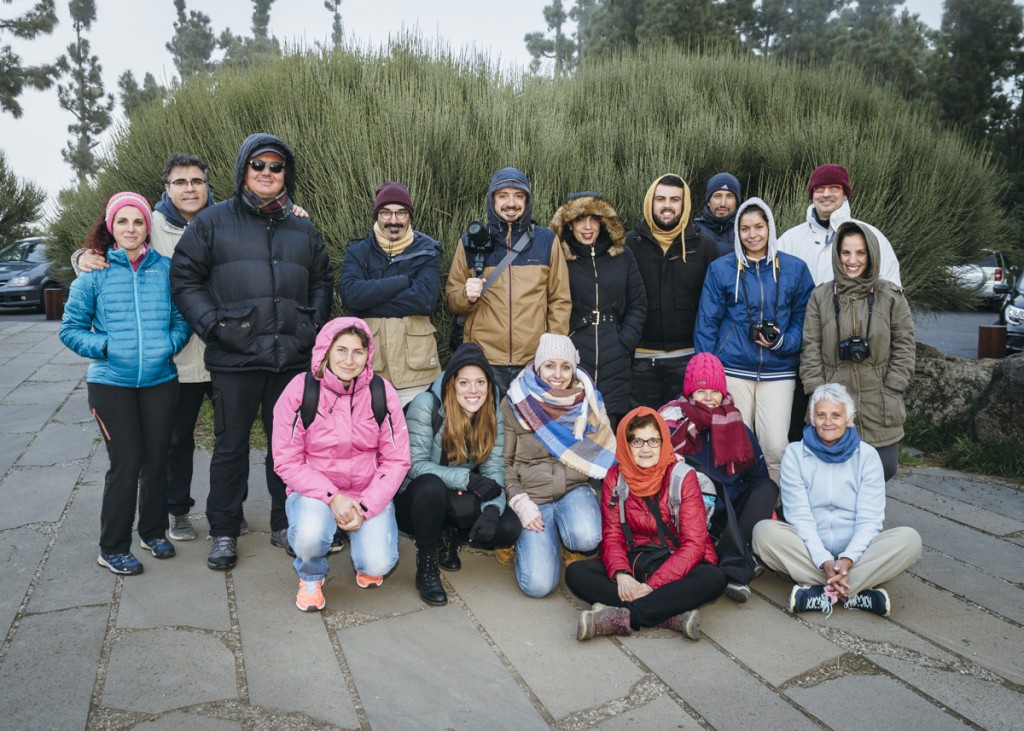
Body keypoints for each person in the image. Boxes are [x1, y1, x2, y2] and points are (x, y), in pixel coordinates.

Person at [72, 153, 310, 541]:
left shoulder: (232, 217)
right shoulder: (148, 224)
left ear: (209, 184)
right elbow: (112, 247)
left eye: (197, 181)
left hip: (232, 352)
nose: (189, 189)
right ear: (166, 188)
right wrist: (83, 257)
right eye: (180, 182)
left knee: (232, 437)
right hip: (178, 357)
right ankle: (177, 509)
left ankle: (232, 509)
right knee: (176, 438)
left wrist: (290, 211)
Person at [171, 133, 333, 571]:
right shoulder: (212, 222)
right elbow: (184, 279)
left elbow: (322, 279)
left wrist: (311, 325)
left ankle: (287, 523)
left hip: (290, 359)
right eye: (257, 165)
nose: (266, 173)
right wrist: (215, 326)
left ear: (287, 175)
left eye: (275, 166)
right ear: (244, 170)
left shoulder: (302, 227)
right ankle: (224, 530)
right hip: (236, 358)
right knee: (230, 447)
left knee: (291, 449)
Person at [60, 192, 191, 575]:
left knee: (156, 459)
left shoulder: (165, 269)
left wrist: (169, 345)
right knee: (127, 461)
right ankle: (113, 546)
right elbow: (70, 330)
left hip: (159, 381)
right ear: (111, 227)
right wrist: (106, 346)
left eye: (137, 222)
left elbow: (182, 320)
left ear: (146, 227)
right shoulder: (93, 275)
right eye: (123, 222)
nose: (130, 229)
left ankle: (152, 532)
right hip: (110, 384)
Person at [271, 317, 410, 612]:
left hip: (366, 490)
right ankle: (311, 574)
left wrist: (367, 506)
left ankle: (360, 543)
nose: (349, 359)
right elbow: (286, 460)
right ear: (326, 351)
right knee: (309, 534)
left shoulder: (380, 392)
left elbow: (397, 459)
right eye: (341, 350)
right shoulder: (300, 390)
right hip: (316, 492)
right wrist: (332, 498)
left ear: (367, 354)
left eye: (358, 352)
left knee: (379, 563)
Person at [752, 383, 922, 618]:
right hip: (809, 550)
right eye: (821, 415)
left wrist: (848, 559)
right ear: (812, 419)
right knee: (763, 532)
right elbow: (799, 516)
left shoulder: (868, 456)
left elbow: (870, 520)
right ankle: (856, 592)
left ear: (849, 419)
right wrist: (824, 560)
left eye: (836, 415)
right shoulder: (794, 454)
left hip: (857, 551)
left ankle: (822, 593)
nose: (828, 422)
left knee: (909, 540)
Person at [565, 407, 727, 640]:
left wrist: (652, 585)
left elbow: (694, 545)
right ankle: (669, 613)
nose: (646, 449)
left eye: (653, 440)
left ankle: (624, 617)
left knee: (713, 579)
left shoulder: (683, 477)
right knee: (576, 573)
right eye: (637, 441)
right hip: (635, 559)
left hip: (676, 558)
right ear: (625, 444)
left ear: (663, 441)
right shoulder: (615, 477)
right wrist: (621, 574)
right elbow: (612, 536)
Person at [695, 198, 814, 482]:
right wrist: (706, 372)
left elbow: (805, 319)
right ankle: (738, 511)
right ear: (737, 232)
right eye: (745, 228)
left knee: (775, 446)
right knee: (736, 446)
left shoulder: (794, 269)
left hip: (778, 371)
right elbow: (707, 322)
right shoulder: (722, 269)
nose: (752, 235)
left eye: (759, 227)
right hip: (733, 368)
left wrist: (784, 342)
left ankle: (772, 509)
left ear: (770, 227)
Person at [396, 342, 521, 606]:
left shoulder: (492, 410)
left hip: (455, 493)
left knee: (509, 527)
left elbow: (494, 470)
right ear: (452, 383)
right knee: (430, 487)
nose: (473, 391)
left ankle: (449, 536)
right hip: (415, 499)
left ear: (489, 384)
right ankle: (427, 564)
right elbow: (414, 465)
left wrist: (491, 511)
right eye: (464, 383)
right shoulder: (426, 405)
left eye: (480, 382)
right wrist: (467, 479)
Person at [800, 221, 915, 482]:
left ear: (871, 254)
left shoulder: (891, 297)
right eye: (846, 253)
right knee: (834, 472)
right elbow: (810, 350)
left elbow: (905, 345)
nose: (852, 260)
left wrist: (894, 386)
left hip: (879, 397)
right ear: (837, 255)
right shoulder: (821, 298)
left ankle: (868, 516)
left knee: (883, 468)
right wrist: (818, 393)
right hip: (833, 398)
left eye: (860, 253)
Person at [503, 333, 616, 598]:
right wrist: (520, 503)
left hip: (573, 490)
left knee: (587, 537)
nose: (557, 374)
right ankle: (532, 540)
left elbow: (606, 454)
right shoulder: (516, 402)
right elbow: (504, 463)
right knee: (538, 586)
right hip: (533, 496)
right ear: (539, 366)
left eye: (565, 367)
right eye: (550, 365)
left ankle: (567, 539)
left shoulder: (588, 401)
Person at [659, 352, 778, 602]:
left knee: (767, 488)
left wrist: (767, 514)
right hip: (692, 511)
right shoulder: (674, 426)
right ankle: (735, 569)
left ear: (724, 393)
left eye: (715, 392)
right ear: (690, 393)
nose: (709, 398)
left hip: (730, 515)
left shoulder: (737, 426)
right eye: (701, 392)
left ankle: (732, 556)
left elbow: (757, 477)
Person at [445, 167, 571, 395]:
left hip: (533, 361)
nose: (511, 203)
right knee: (488, 429)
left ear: (527, 200)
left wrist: (551, 352)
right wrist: (466, 296)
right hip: (484, 360)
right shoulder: (469, 243)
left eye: (518, 196)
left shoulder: (546, 241)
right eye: (503, 195)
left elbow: (560, 300)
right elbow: (452, 299)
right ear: (492, 200)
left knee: (529, 428)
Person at [547, 191, 646, 429]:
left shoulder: (622, 255)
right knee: (572, 427)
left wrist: (624, 341)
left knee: (608, 430)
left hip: (615, 357)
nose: (588, 227)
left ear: (604, 222)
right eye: (581, 219)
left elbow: (638, 303)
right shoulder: (558, 257)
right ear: (569, 223)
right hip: (574, 355)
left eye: (594, 219)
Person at [338, 181, 442, 407]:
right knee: (370, 438)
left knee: (417, 437)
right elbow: (351, 297)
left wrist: (370, 298)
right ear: (377, 215)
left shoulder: (428, 250)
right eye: (386, 212)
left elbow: (425, 301)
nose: (393, 220)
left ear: (410, 216)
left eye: (401, 213)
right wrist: (402, 282)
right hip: (371, 368)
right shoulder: (358, 251)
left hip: (417, 371)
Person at [627, 173, 719, 410]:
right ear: (651, 202)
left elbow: (715, 304)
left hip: (687, 359)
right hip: (641, 362)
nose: (667, 206)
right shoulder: (629, 245)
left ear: (684, 204)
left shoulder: (704, 245)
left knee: (684, 434)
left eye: (674, 200)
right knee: (642, 432)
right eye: (661, 199)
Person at [777, 163, 901, 286]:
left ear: (845, 194)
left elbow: (891, 289)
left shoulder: (871, 236)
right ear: (812, 194)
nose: (826, 194)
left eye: (834, 187)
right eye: (819, 188)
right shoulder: (790, 240)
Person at [694, 172, 741, 258]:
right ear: (708, 201)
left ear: (736, 201)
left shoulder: (744, 230)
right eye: (717, 196)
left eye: (729, 196)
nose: (723, 203)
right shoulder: (695, 230)